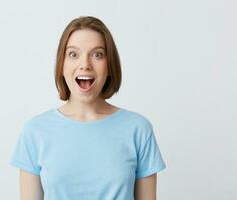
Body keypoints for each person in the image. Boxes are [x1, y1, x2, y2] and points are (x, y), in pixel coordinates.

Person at [10, 16, 166, 200]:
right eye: (73, 54)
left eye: (97, 54)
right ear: (62, 65)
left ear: (109, 65)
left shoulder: (138, 129)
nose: (85, 64)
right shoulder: (35, 132)